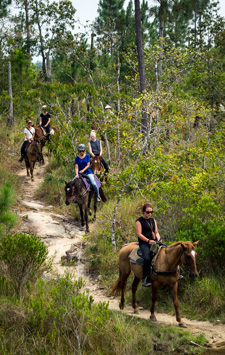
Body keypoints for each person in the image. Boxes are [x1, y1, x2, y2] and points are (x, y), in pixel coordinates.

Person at [135, 204, 162, 287]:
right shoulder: (139, 221)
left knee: (166, 251)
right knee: (147, 258)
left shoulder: (153, 220)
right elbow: (139, 234)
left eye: (151, 212)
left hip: (154, 241)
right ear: (143, 212)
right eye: (147, 212)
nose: (149, 214)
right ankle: (145, 278)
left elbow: (156, 232)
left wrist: (158, 239)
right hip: (144, 243)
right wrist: (148, 240)